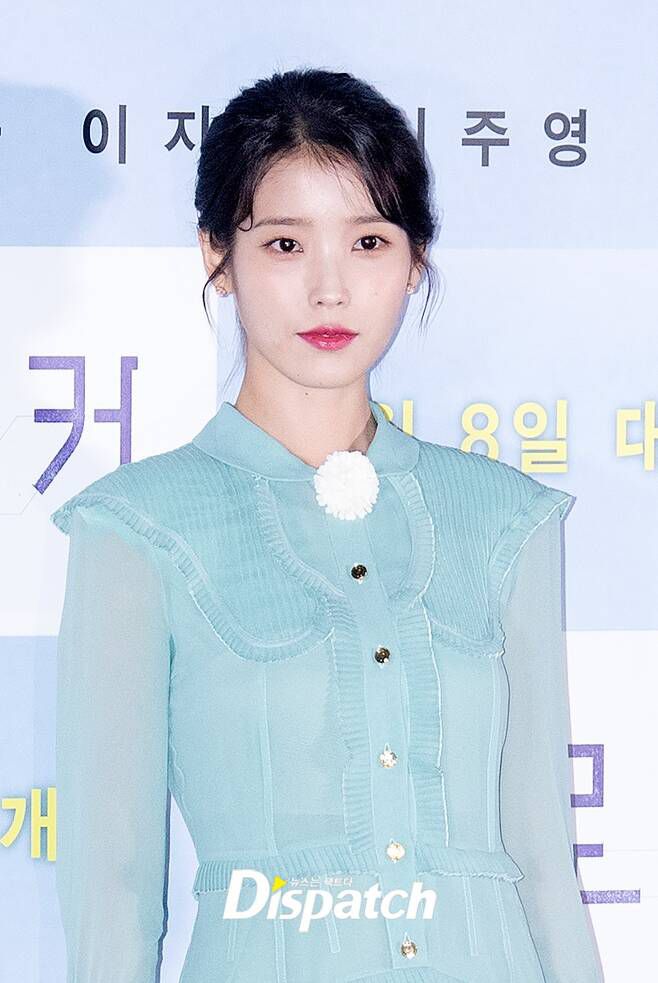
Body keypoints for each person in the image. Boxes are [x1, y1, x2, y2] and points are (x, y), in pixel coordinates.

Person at [51, 67, 604, 983]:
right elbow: (113, 885)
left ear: (415, 259)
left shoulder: (507, 517)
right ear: (216, 254)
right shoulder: (136, 528)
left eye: (369, 241)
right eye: (284, 244)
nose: (329, 289)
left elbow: (544, 860)